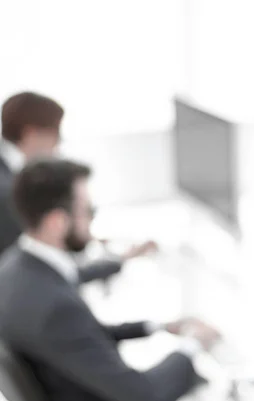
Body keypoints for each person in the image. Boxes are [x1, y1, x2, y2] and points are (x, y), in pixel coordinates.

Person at [0, 158, 220, 401]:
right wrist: (193, 345)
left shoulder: (13, 270)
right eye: (89, 211)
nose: (92, 220)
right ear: (57, 222)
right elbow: (147, 394)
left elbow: (76, 336)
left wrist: (156, 326)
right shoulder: (56, 308)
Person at [0, 91, 154, 278]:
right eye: (56, 134)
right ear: (31, 133)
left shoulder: (12, 175)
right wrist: (118, 260)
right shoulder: (7, 193)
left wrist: (83, 235)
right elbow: (44, 266)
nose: (58, 145)